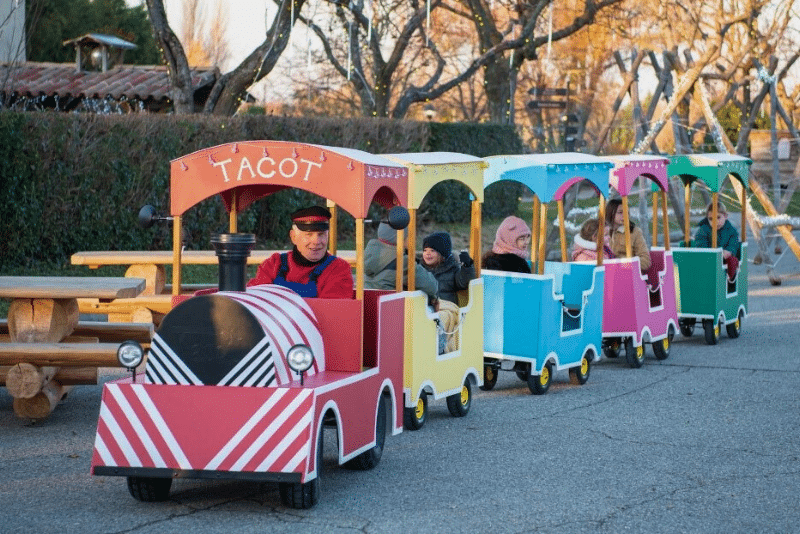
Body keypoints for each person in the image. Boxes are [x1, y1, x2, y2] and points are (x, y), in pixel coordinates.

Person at [247, 205, 354, 298]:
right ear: (293, 237)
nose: (316, 241)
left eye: (321, 234)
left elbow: (334, 312)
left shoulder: (338, 269)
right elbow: (256, 299)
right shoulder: (273, 264)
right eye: (309, 234)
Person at [364, 220, 439, 299]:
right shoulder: (402, 261)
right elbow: (432, 286)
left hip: (370, 304)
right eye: (409, 234)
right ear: (400, 237)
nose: (413, 238)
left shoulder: (370, 254)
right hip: (392, 306)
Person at [420, 231, 476, 305]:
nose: (427, 253)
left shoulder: (452, 269)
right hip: (425, 308)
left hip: (446, 307)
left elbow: (463, 282)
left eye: (432, 250)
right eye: (425, 250)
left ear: (442, 254)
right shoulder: (421, 269)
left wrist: (466, 264)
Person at [693, 200, 741, 281]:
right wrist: (711, 253)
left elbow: (734, 241)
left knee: (733, 260)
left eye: (718, 217)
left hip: (725, 257)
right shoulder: (704, 229)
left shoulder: (730, 229)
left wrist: (729, 251)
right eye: (711, 219)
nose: (715, 222)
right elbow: (700, 243)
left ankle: (731, 276)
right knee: (700, 263)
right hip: (709, 258)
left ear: (725, 216)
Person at [606, 198, 651, 271]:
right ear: (611, 213)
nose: (624, 215)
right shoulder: (604, 232)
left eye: (627, 212)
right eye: (620, 212)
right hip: (608, 271)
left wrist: (626, 264)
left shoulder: (635, 232)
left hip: (629, 273)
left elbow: (646, 260)